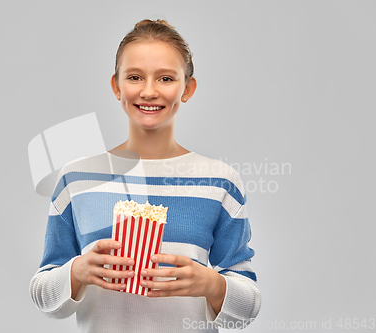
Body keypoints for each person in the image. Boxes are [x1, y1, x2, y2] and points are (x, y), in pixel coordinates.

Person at [29, 19, 261, 332]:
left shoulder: (219, 181)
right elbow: (44, 296)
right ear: (116, 86)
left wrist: (212, 284)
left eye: (165, 78)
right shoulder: (78, 178)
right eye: (135, 77)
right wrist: (76, 272)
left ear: (187, 89)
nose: (149, 91)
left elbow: (247, 310)